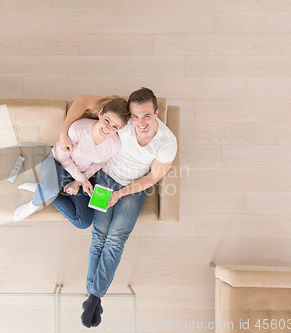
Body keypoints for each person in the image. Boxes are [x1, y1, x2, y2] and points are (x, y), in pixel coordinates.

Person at [59, 88, 177, 328]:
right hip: (105, 179)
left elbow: (153, 177)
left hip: (134, 187)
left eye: (146, 116)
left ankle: (94, 295)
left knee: (116, 238)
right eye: (135, 116)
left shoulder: (167, 142)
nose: (140, 122)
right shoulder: (120, 122)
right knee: (99, 234)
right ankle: (94, 297)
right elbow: (82, 100)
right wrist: (64, 133)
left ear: (156, 112)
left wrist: (120, 194)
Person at [13, 96, 130, 230]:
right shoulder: (78, 129)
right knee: (52, 187)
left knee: (84, 222)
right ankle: (33, 205)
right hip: (56, 163)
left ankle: (42, 190)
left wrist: (78, 182)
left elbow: (100, 163)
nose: (107, 129)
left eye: (115, 127)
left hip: (77, 176)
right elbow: (64, 160)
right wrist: (83, 180)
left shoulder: (114, 145)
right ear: (100, 113)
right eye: (107, 121)